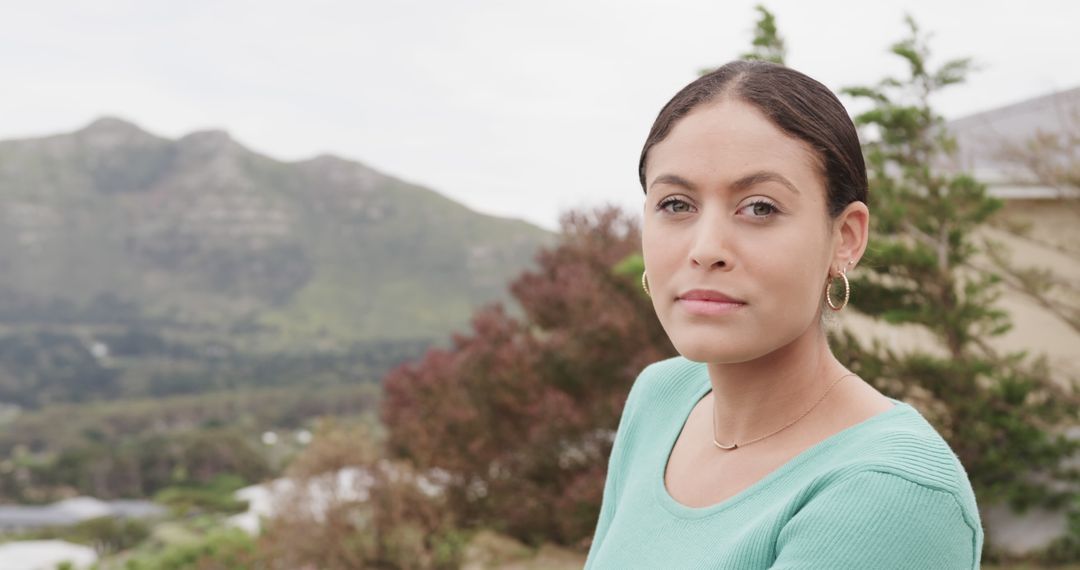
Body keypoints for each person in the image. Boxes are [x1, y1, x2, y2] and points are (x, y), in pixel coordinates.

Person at [584, 60, 984, 569]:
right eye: (676, 204)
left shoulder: (891, 493)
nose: (706, 249)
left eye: (759, 208)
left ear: (845, 238)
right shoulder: (661, 398)